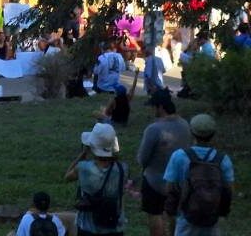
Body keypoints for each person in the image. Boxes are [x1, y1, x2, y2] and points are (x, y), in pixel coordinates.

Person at [164, 113, 235, 235]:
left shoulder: (179, 156)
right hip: (212, 217)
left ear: (192, 132)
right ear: (213, 134)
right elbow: (229, 189)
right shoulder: (223, 159)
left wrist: (171, 211)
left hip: (186, 216)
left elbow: (170, 187)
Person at [137, 89, 192, 236]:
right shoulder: (185, 125)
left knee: (155, 215)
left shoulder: (154, 129)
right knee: (174, 214)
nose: (152, 110)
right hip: (179, 181)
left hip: (155, 180)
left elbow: (142, 159)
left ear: (160, 107)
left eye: (153, 106)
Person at [66, 122, 127, 236]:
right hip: (114, 225)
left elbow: (67, 176)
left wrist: (83, 153)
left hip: (88, 227)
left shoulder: (83, 168)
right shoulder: (122, 168)